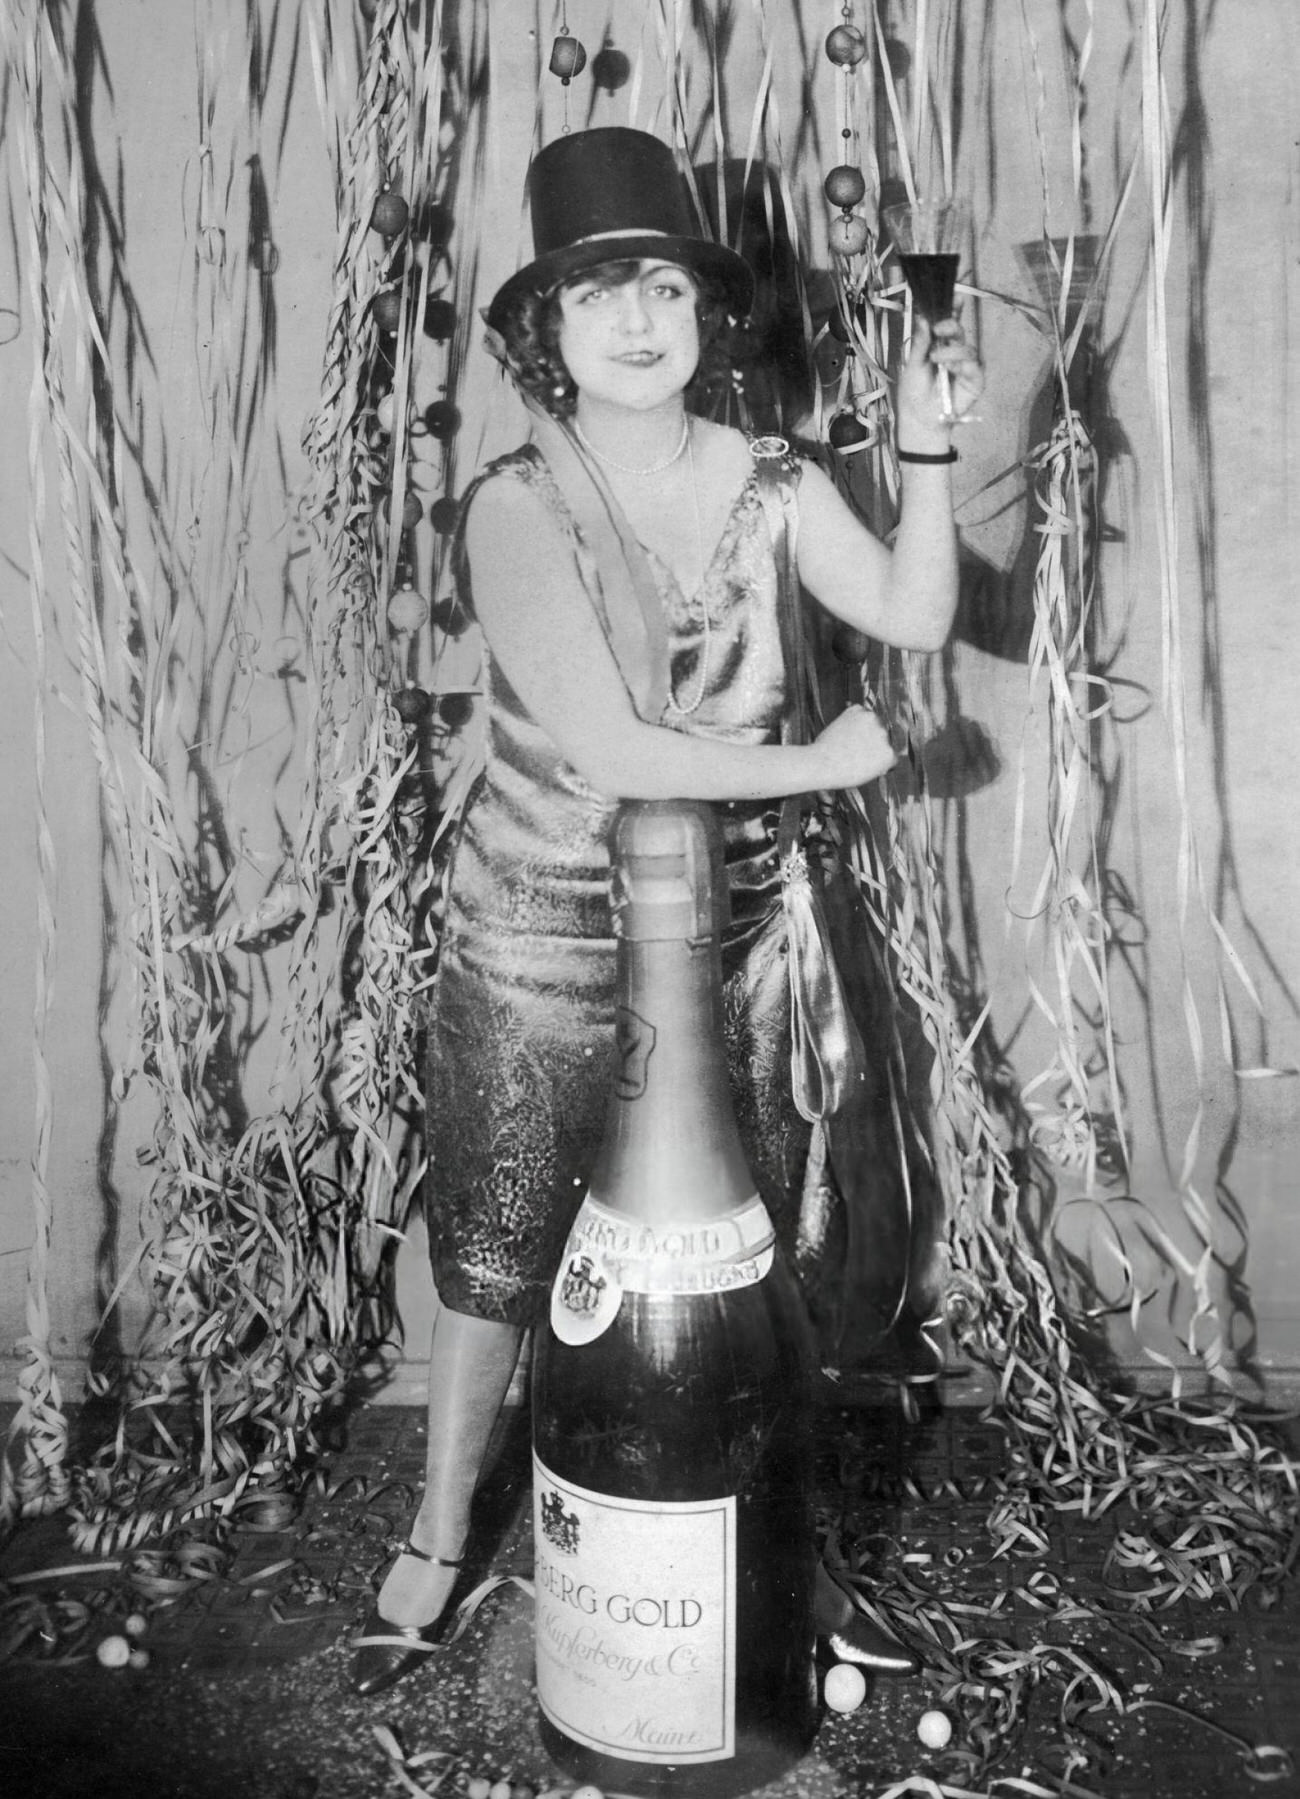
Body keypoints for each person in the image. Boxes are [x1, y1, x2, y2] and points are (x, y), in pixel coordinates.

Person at [351, 126, 983, 1697]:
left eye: (662, 291)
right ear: (546, 336)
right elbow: (615, 749)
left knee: (750, 1270)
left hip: (727, 947)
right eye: (592, 298)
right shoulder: (513, 505)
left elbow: (909, 610)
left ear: (708, 317)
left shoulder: (770, 480)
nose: (634, 323)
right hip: (542, 941)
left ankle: (790, 1554)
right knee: (500, 1261)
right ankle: (440, 1531)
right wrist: (825, 758)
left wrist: (920, 456)